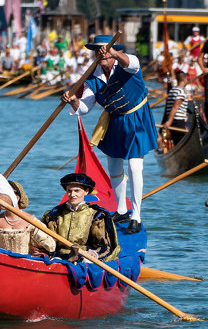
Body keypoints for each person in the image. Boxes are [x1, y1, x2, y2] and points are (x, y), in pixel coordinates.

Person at [62, 34, 155, 231]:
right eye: (97, 51)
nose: (101, 54)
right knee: (113, 167)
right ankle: (121, 211)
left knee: (135, 166)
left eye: (104, 50)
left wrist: (114, 52)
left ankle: (136, 216)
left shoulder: (127, 62)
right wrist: (73, 101)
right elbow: (86, 106)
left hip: (136, 118)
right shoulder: (92, 76)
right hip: (114, 120)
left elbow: (132, 64)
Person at [40, 173, 120, 262]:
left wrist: (95, 254)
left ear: (86, 191)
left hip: (84, 257)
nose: (72, 194)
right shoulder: (54, 214)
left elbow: (106, 245)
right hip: (58, 257)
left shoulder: (98, 215)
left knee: (87, 261)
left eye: (76, 191)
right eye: (69, 191)